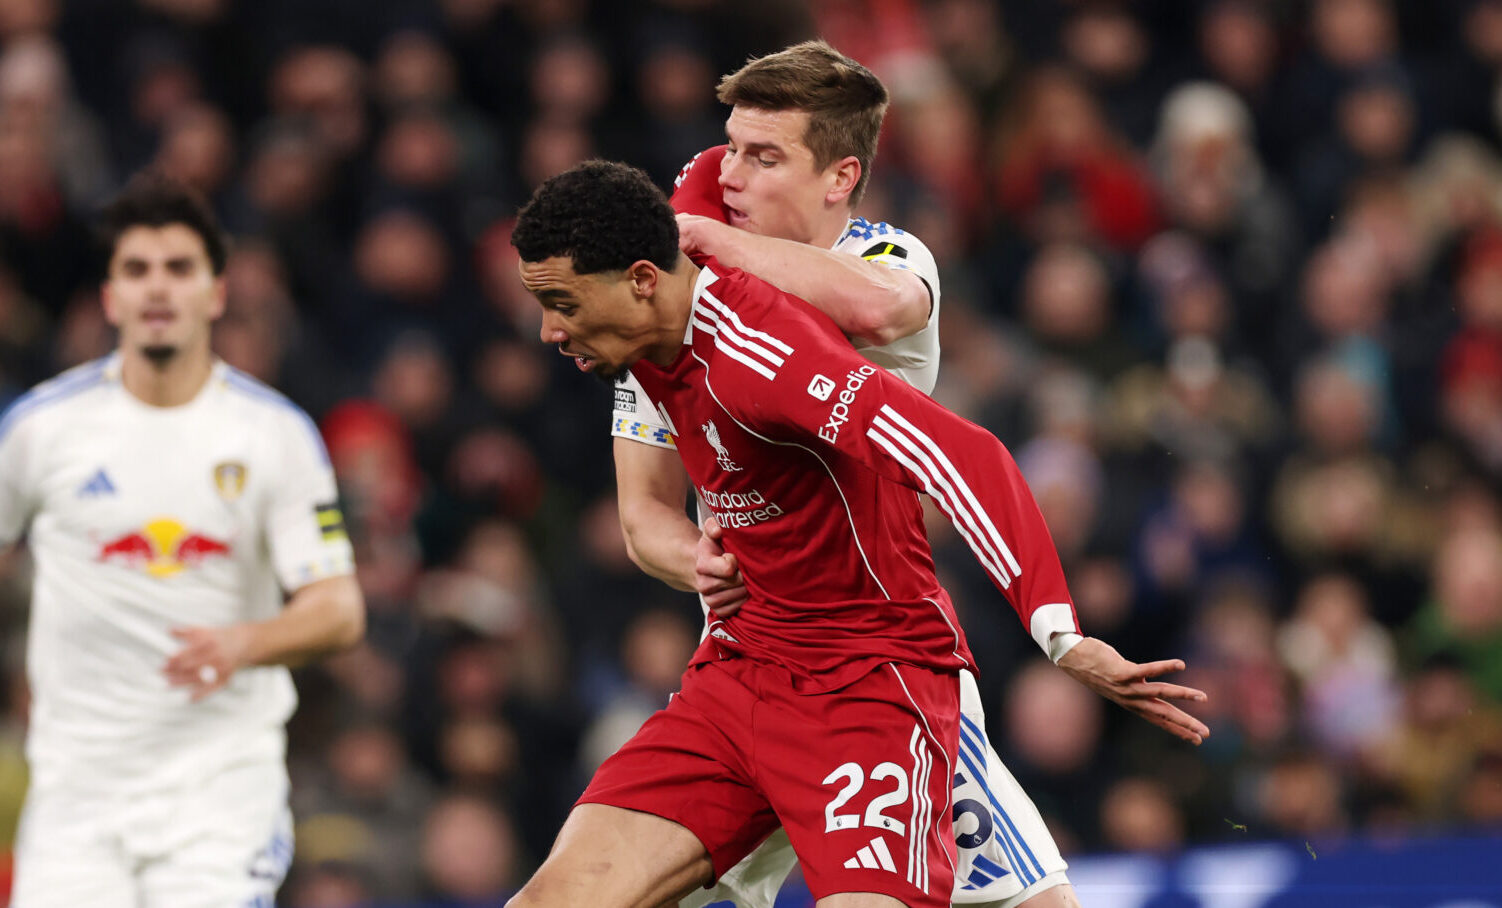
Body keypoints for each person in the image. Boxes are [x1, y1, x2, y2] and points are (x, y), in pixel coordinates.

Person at [509, 160, 1207, 908]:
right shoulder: (638, 340)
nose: (549, 329)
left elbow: (961, 453)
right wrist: (696, 558)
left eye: (561, 303)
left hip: (868, 689)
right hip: (741, 674)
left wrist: (1062, 637)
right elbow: (642, 515)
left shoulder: (766, 352)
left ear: (642, 279)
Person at [613, 41, 1077, 908]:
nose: (734, 176)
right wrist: (695, 562)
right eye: (730, 152)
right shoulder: (667, 313)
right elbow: (642, 511)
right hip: (754, 661)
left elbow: (877, 307)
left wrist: (704, 237)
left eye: (764, 157)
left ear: (839, 177)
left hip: (881, 659)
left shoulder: (888, 257)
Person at [0, 172, 365, 908]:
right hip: (77, 801)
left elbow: (339, 611)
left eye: (178, 268)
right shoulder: (42, 429)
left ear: (216, 293)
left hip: (218, 795)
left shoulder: (275, 435)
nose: (157, 288)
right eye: (136, 270)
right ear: (110, 298)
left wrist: (244, 643)